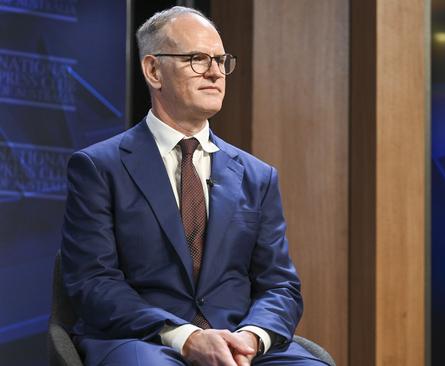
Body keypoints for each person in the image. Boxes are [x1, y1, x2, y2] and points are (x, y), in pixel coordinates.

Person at [61, 6, 325, 365]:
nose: (215, 72)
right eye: (197, 59)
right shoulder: (98, 167)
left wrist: (251, 337)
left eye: (221, 60)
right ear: (153, 70)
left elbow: (280, 286)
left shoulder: (257, 176)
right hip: (146, 340)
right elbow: (93, 283)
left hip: (237, 343)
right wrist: (186, 338)